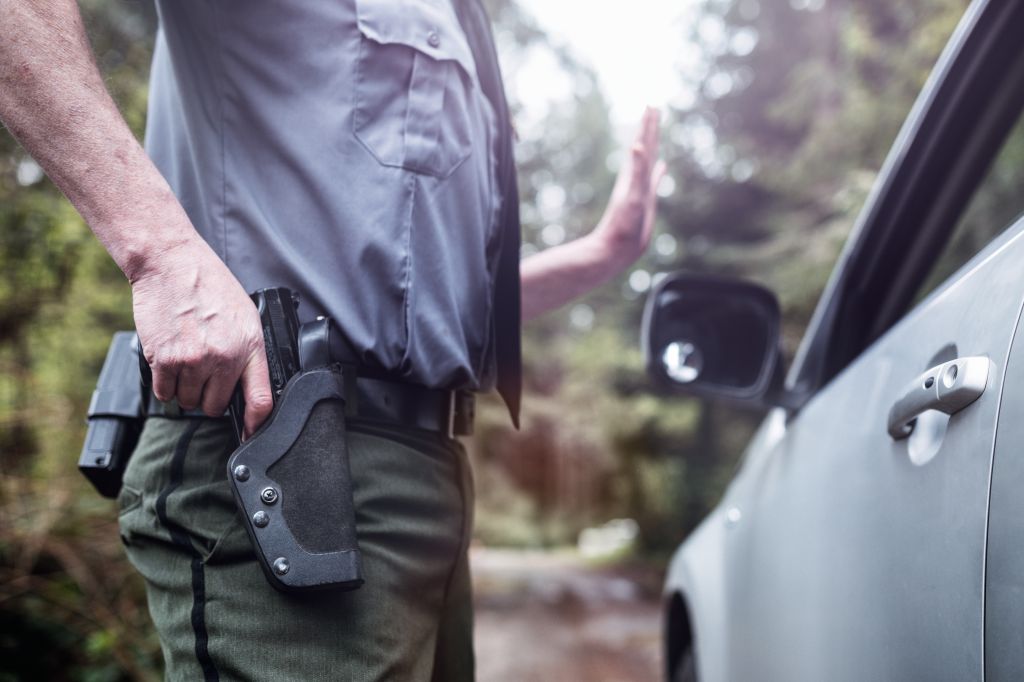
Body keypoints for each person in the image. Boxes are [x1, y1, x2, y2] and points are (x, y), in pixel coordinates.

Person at [0, 0, 664, 679]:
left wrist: (601, 255)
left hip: (429, 478)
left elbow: (428, 305)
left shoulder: (462, 17)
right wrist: (160, 254)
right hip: (275, 460)